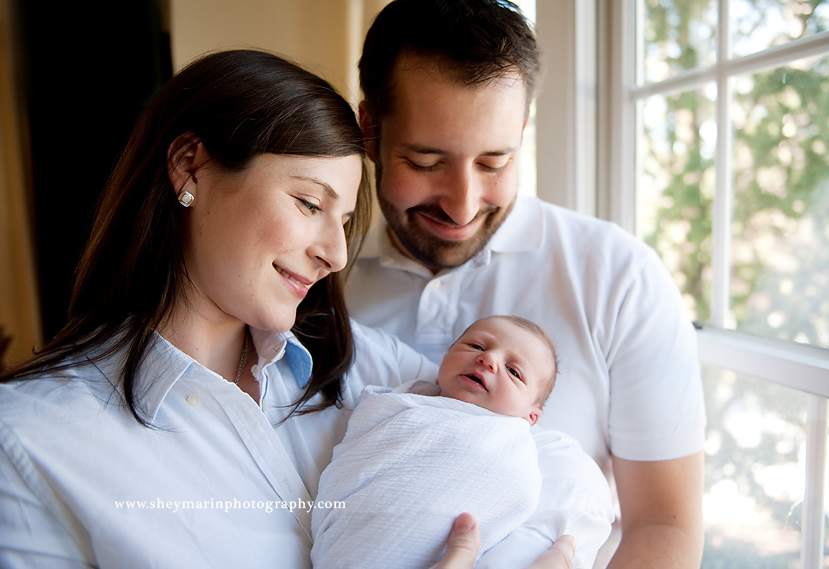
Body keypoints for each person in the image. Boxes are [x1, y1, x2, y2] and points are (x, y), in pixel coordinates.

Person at [0, 48, 537, 569]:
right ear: (190, 166)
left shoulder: (363, 367)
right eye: (309, 203)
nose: (336, 254)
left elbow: (544, 464)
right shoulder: (29, 442)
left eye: (345, 221)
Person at [344, 0, 707, 568]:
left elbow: (664, 526)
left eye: (495, 162)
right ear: (369, 130)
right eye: (425, 162)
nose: (462, 207)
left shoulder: (618, 277)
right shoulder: (318, 283)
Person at [312, 315, 614, 568]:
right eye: (476, 345)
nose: (488, 359)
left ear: (530, 418)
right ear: (444, 361)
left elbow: (513, 493)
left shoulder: (511, 445)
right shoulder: (398, 405)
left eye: (513, 371)